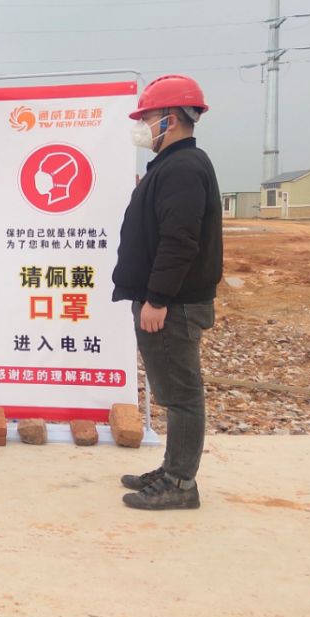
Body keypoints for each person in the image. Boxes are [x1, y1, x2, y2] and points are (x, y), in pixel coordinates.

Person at [112, 74, 222, 510]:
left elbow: (180, 241)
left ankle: (180, 483)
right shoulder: (173, 164)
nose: (143, 125)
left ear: (170, 119)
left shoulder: (183, 168)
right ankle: (172, 467)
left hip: (173, 304)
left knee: (182, 394)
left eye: (148, 117)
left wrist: (157, 299)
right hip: (167, 300)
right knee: (174, 392)